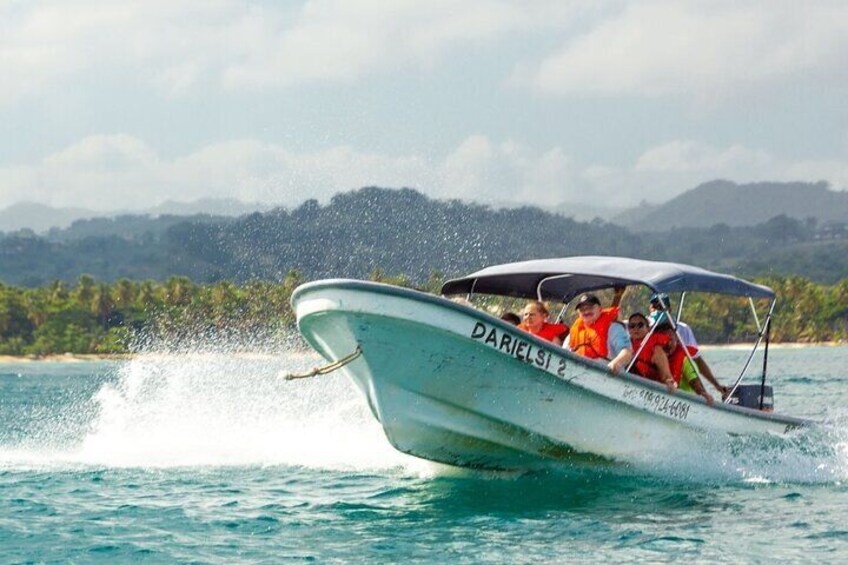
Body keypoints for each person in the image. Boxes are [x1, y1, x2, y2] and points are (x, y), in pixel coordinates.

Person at [648, 293, 729, 399]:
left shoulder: (682, 329)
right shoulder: (642, 327)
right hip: (652, 379)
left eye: (662, 307)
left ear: (670, 309)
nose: (658, 310)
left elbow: (697, 361)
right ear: (650, 309)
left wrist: (716, 385)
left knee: (686, 365)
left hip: (678, 382)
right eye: (655, 307)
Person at [565, 293, 633, 374]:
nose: (586, 311)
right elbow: (564, 353)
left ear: (600, 308)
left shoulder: (614, 328)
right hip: (577, 372)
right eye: (582, 310)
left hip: (606, 374)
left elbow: (627, 352)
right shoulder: (574, 332)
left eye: (590, 307)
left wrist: (616, 363)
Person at [657, 324, 715, 405]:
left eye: (671, 340)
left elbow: (694, 381)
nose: (668, 344)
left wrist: (703, 393)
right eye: (663, 340)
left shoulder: (684, 360)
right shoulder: (654, 358)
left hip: (684, 403)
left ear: (677, 340)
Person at [626, 312, 677, 393]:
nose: (636, 329)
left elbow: (667, 376)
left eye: (640, 325)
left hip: (648, 388)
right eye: (632, 326)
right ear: (628, 329)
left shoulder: (656, 350)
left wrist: (670, 383)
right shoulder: (625, 345)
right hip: (628, 382)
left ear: (648, 328)